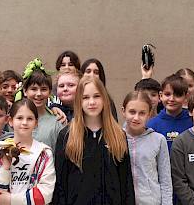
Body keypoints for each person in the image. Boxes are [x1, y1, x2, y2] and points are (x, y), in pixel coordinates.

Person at [54, 75, 134, 205]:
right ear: (79, 101)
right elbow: (60, 186)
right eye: (85, 97)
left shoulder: (118, 135)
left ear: (104, 99)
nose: (92, 102)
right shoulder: (66, 136)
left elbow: (126, 183)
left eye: (96, 96)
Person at [0, 98, 56, 205]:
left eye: (30, 118)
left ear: (36, 123)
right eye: (19, 118)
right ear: (10, 121)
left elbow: (45, 194)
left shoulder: (44, 153)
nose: (24, 122)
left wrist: (12, 200)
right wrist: (5, 167)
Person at [123, 91, 172, 205]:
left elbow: (165, 180)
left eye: (142, 113)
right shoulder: (115, 139)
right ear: (123, 111)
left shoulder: (158, 140)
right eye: (132, 112)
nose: (136, 117)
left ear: (149, 114)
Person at [21, 64, 66, 149]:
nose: (38, 94)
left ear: (49, 93)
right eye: (33, 89)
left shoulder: (57, 121)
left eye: (43, 89)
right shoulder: (16, 119)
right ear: (25, 91)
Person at [147, 74, 193, 150]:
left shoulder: (193, 122)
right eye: (167, 94)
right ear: (161, 96)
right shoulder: (152, 125)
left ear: (186, 97)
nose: (171, 99)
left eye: (178, 95)